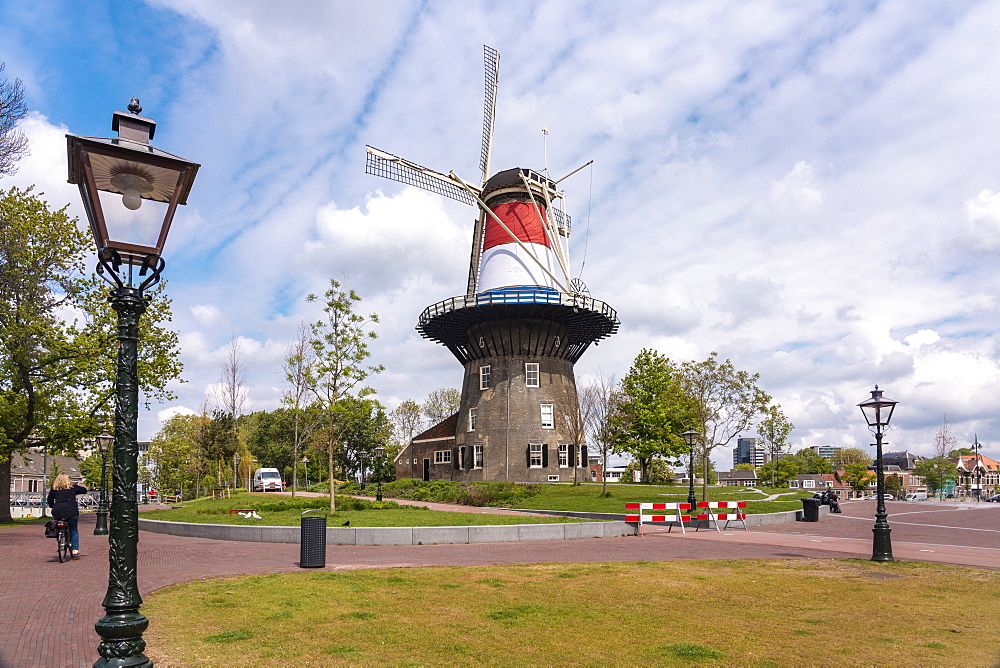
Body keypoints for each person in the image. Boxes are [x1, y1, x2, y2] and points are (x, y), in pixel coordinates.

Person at [47, 474, 88, 556]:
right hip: (71, 511)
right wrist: (75, 487)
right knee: (73, 529)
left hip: (58, 511)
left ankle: (59, 536)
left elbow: (50, 499)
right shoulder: (72, 487)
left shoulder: (54, 488)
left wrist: (52, 506)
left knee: (58, 525)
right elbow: (84, 490)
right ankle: (75, 549)